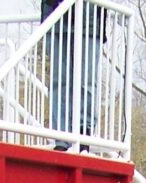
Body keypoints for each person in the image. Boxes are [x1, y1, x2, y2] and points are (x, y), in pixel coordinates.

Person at [41, 0, 106, 151]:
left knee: (86, 81)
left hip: (88, 21)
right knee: (59, 82)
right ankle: (61, 138)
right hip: (55, 19)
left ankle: (84, 132)